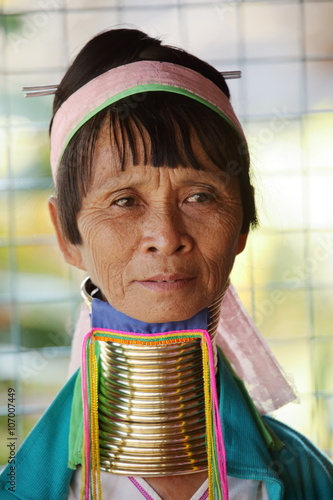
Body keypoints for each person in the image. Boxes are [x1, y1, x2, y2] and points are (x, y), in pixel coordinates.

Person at [1, 28, 332, 500]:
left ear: (242, 222)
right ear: (66, 235)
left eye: (199, 196)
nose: (167, 236)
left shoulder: (308, 483)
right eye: (123, 200)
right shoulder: (25, 488)